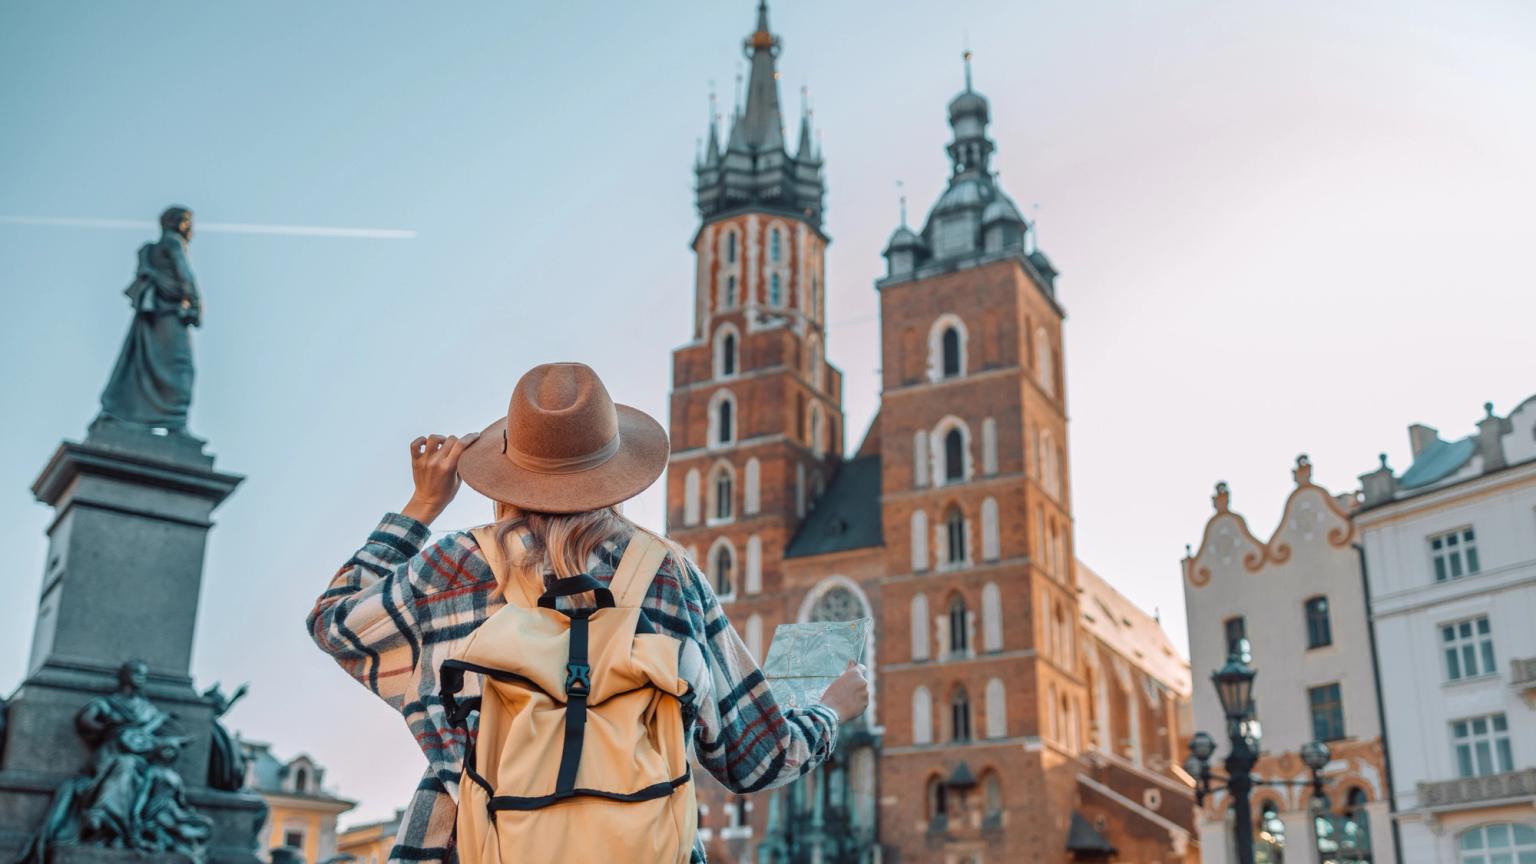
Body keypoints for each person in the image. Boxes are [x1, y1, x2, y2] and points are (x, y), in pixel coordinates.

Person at [307, 362, 868, 863]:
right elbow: (757, 759)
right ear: (614, 472)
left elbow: (333, 622)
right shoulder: (668, 575)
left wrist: (422, 505)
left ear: (508, 472)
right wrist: (828, 712)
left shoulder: (456, 567)